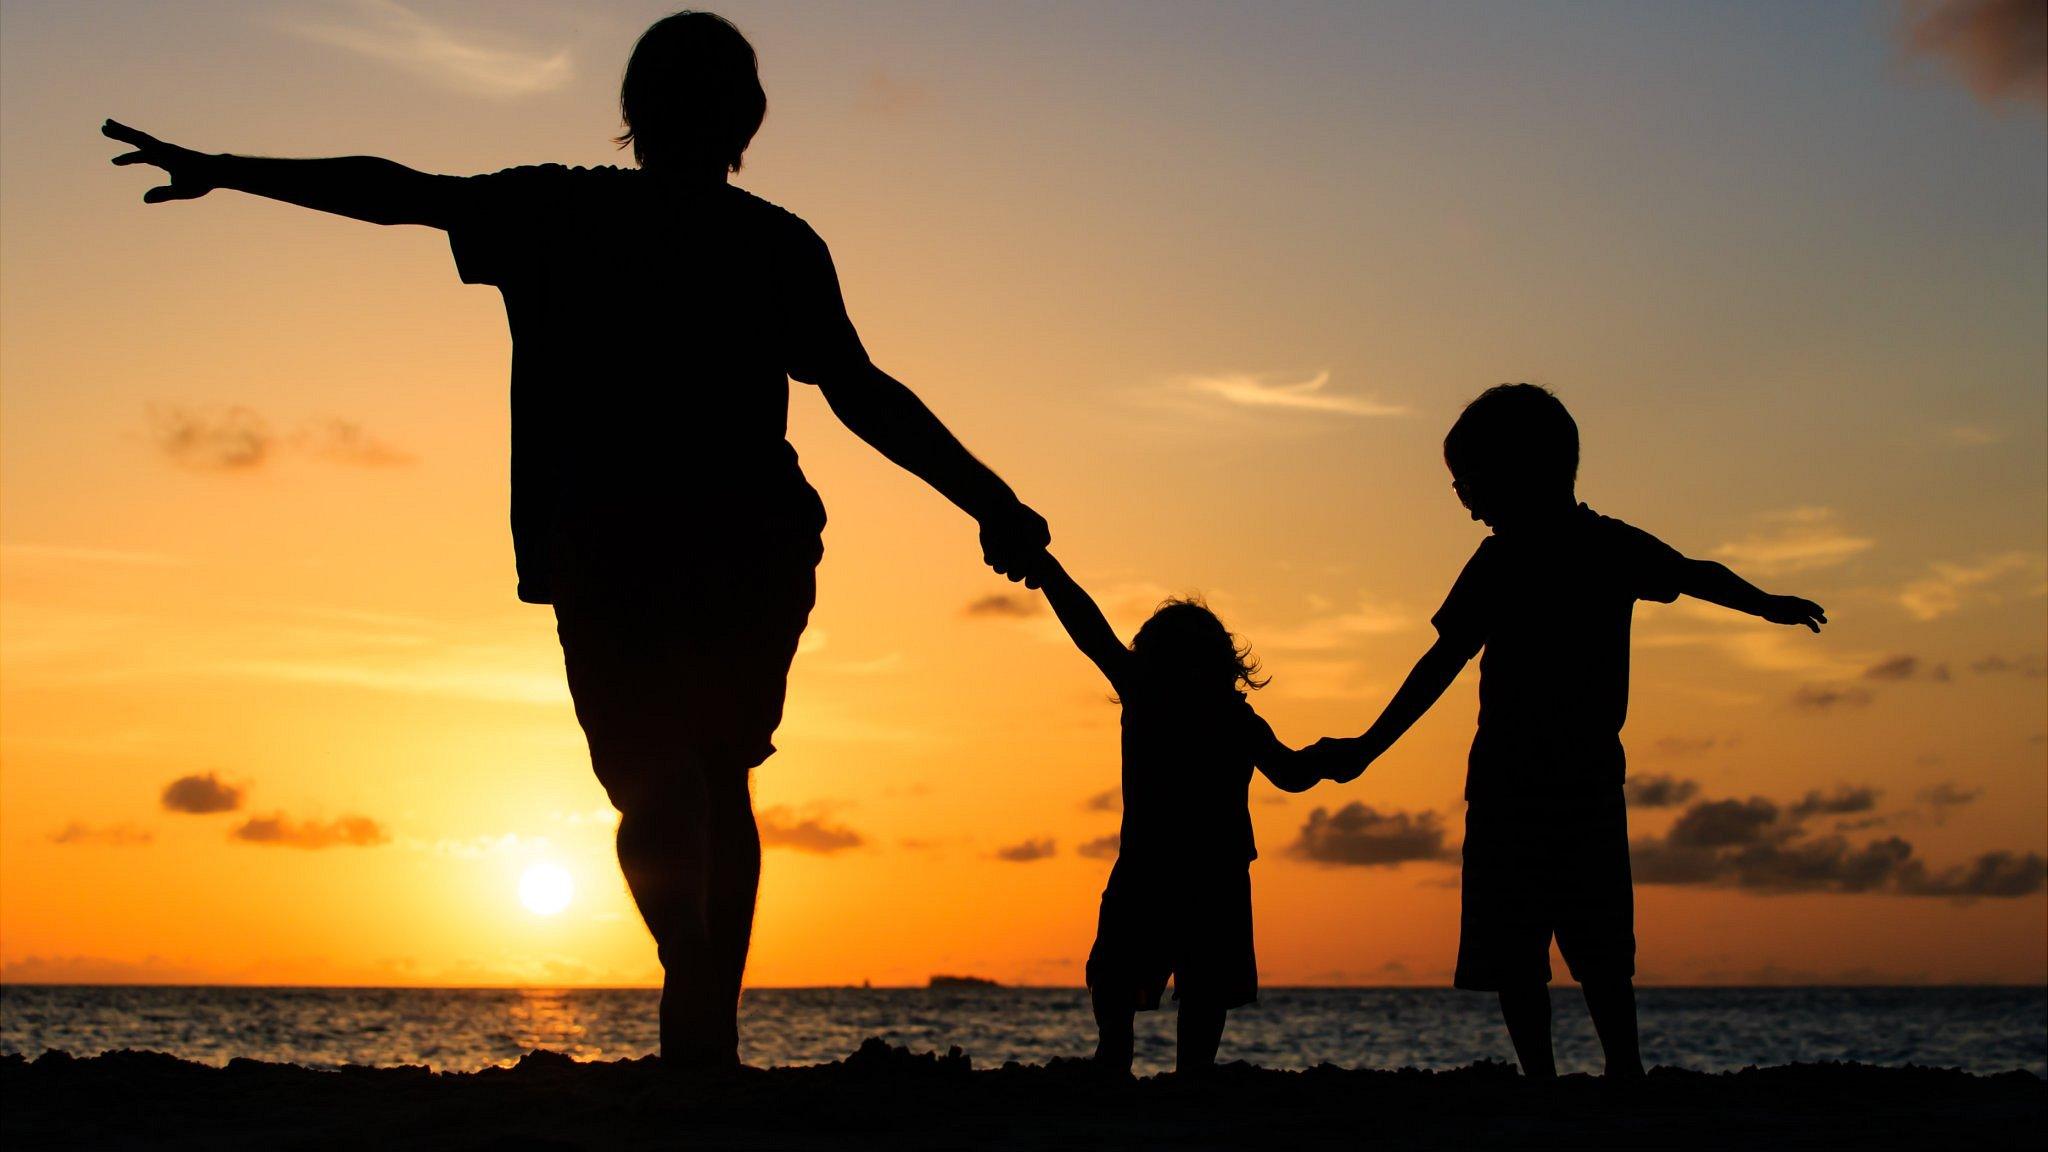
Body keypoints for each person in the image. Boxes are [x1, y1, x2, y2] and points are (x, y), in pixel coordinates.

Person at [104, 10, 1050, 1072]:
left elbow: (398, 192)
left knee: (656, 781)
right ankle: (709, 1022)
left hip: (616, 549)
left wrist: (226, 169)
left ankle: (687, 960)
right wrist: (989, 499)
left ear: (632, 115)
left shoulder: (558, 210)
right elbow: (862, 394)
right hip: (750, 546)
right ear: (747, 118)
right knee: (718, 774)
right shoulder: (768, 241)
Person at [1307, 384, 1827, 1078]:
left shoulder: (1539, 556)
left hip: (1544, 781)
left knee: (1580, 946)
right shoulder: (1583, 549)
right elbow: (1691, 575)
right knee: (1554, 948)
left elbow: (1441, 663)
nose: (1464, 500)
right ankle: (1590, 1075)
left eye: (1469, 482)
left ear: (1516, 472)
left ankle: (1592, 1075)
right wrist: (1368, 747)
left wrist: (1765, 605)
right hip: (1539, 780)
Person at [1036, 553, 1322, 1075]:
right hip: (1208, 870)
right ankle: (1181, 1069)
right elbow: (1293, 774)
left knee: (1125, 973)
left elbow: (1090, 629)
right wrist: (1335, 757)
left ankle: (1124, 1054)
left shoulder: (1151, 694)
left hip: (1162, 865)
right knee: (1189, 984)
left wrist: (1046, 569)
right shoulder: (1225, 714)